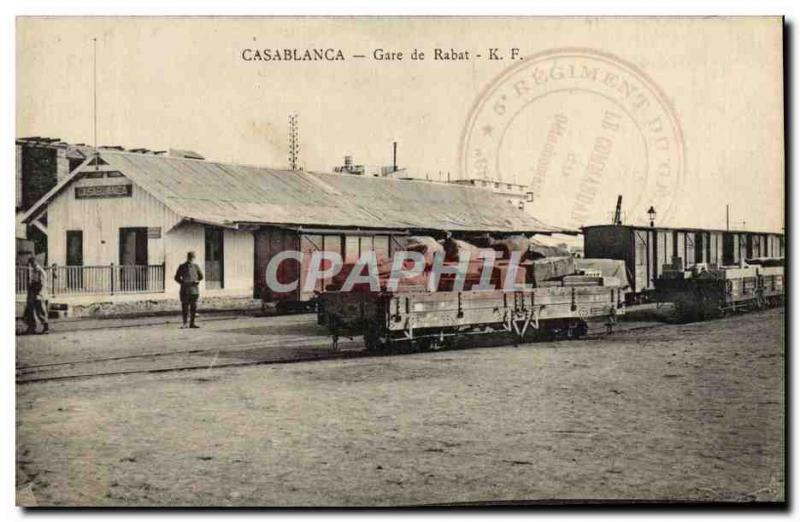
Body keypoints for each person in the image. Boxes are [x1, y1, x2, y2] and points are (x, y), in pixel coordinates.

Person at [174, 251, 203, 328]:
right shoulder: (182, 266)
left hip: (194, 290)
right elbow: (176, 277)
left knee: (193, 308)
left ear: (194, 258)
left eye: (192, 257)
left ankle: (192, 323)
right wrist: (182, 283)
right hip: (185, 290)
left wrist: (197, 281)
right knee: (185, 307)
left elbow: (201, 276)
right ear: (188, 257)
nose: (191, 259)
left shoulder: (196, 266)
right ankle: (185, 323)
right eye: (190, 257)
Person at [23, 256, 49, 335]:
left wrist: (36, 291)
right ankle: (31, 327)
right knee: (29, 312)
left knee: (40, 312)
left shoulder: (40, 271)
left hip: (38, 295)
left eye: (31, 263)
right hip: (32, 294)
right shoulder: (34, 271)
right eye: (30, 263)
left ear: (35, 262)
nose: (30, 265)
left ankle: (46, 328)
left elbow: (42, 284)